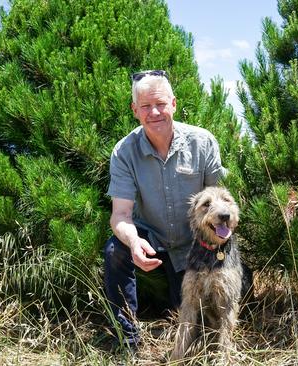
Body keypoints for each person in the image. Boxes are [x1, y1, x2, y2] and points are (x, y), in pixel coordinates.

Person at [103, 69, 225, 347]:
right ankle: (127, 341)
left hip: (194, 242)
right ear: (135, 110)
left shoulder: (202, 142)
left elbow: (219, 204)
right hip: (151, 238)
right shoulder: (124, 151)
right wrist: (134, 242)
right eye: (146, 106)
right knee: (115, 251)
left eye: (160, 104)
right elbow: (120, 215)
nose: (154, 112)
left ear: (174, 103)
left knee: (196, 336)